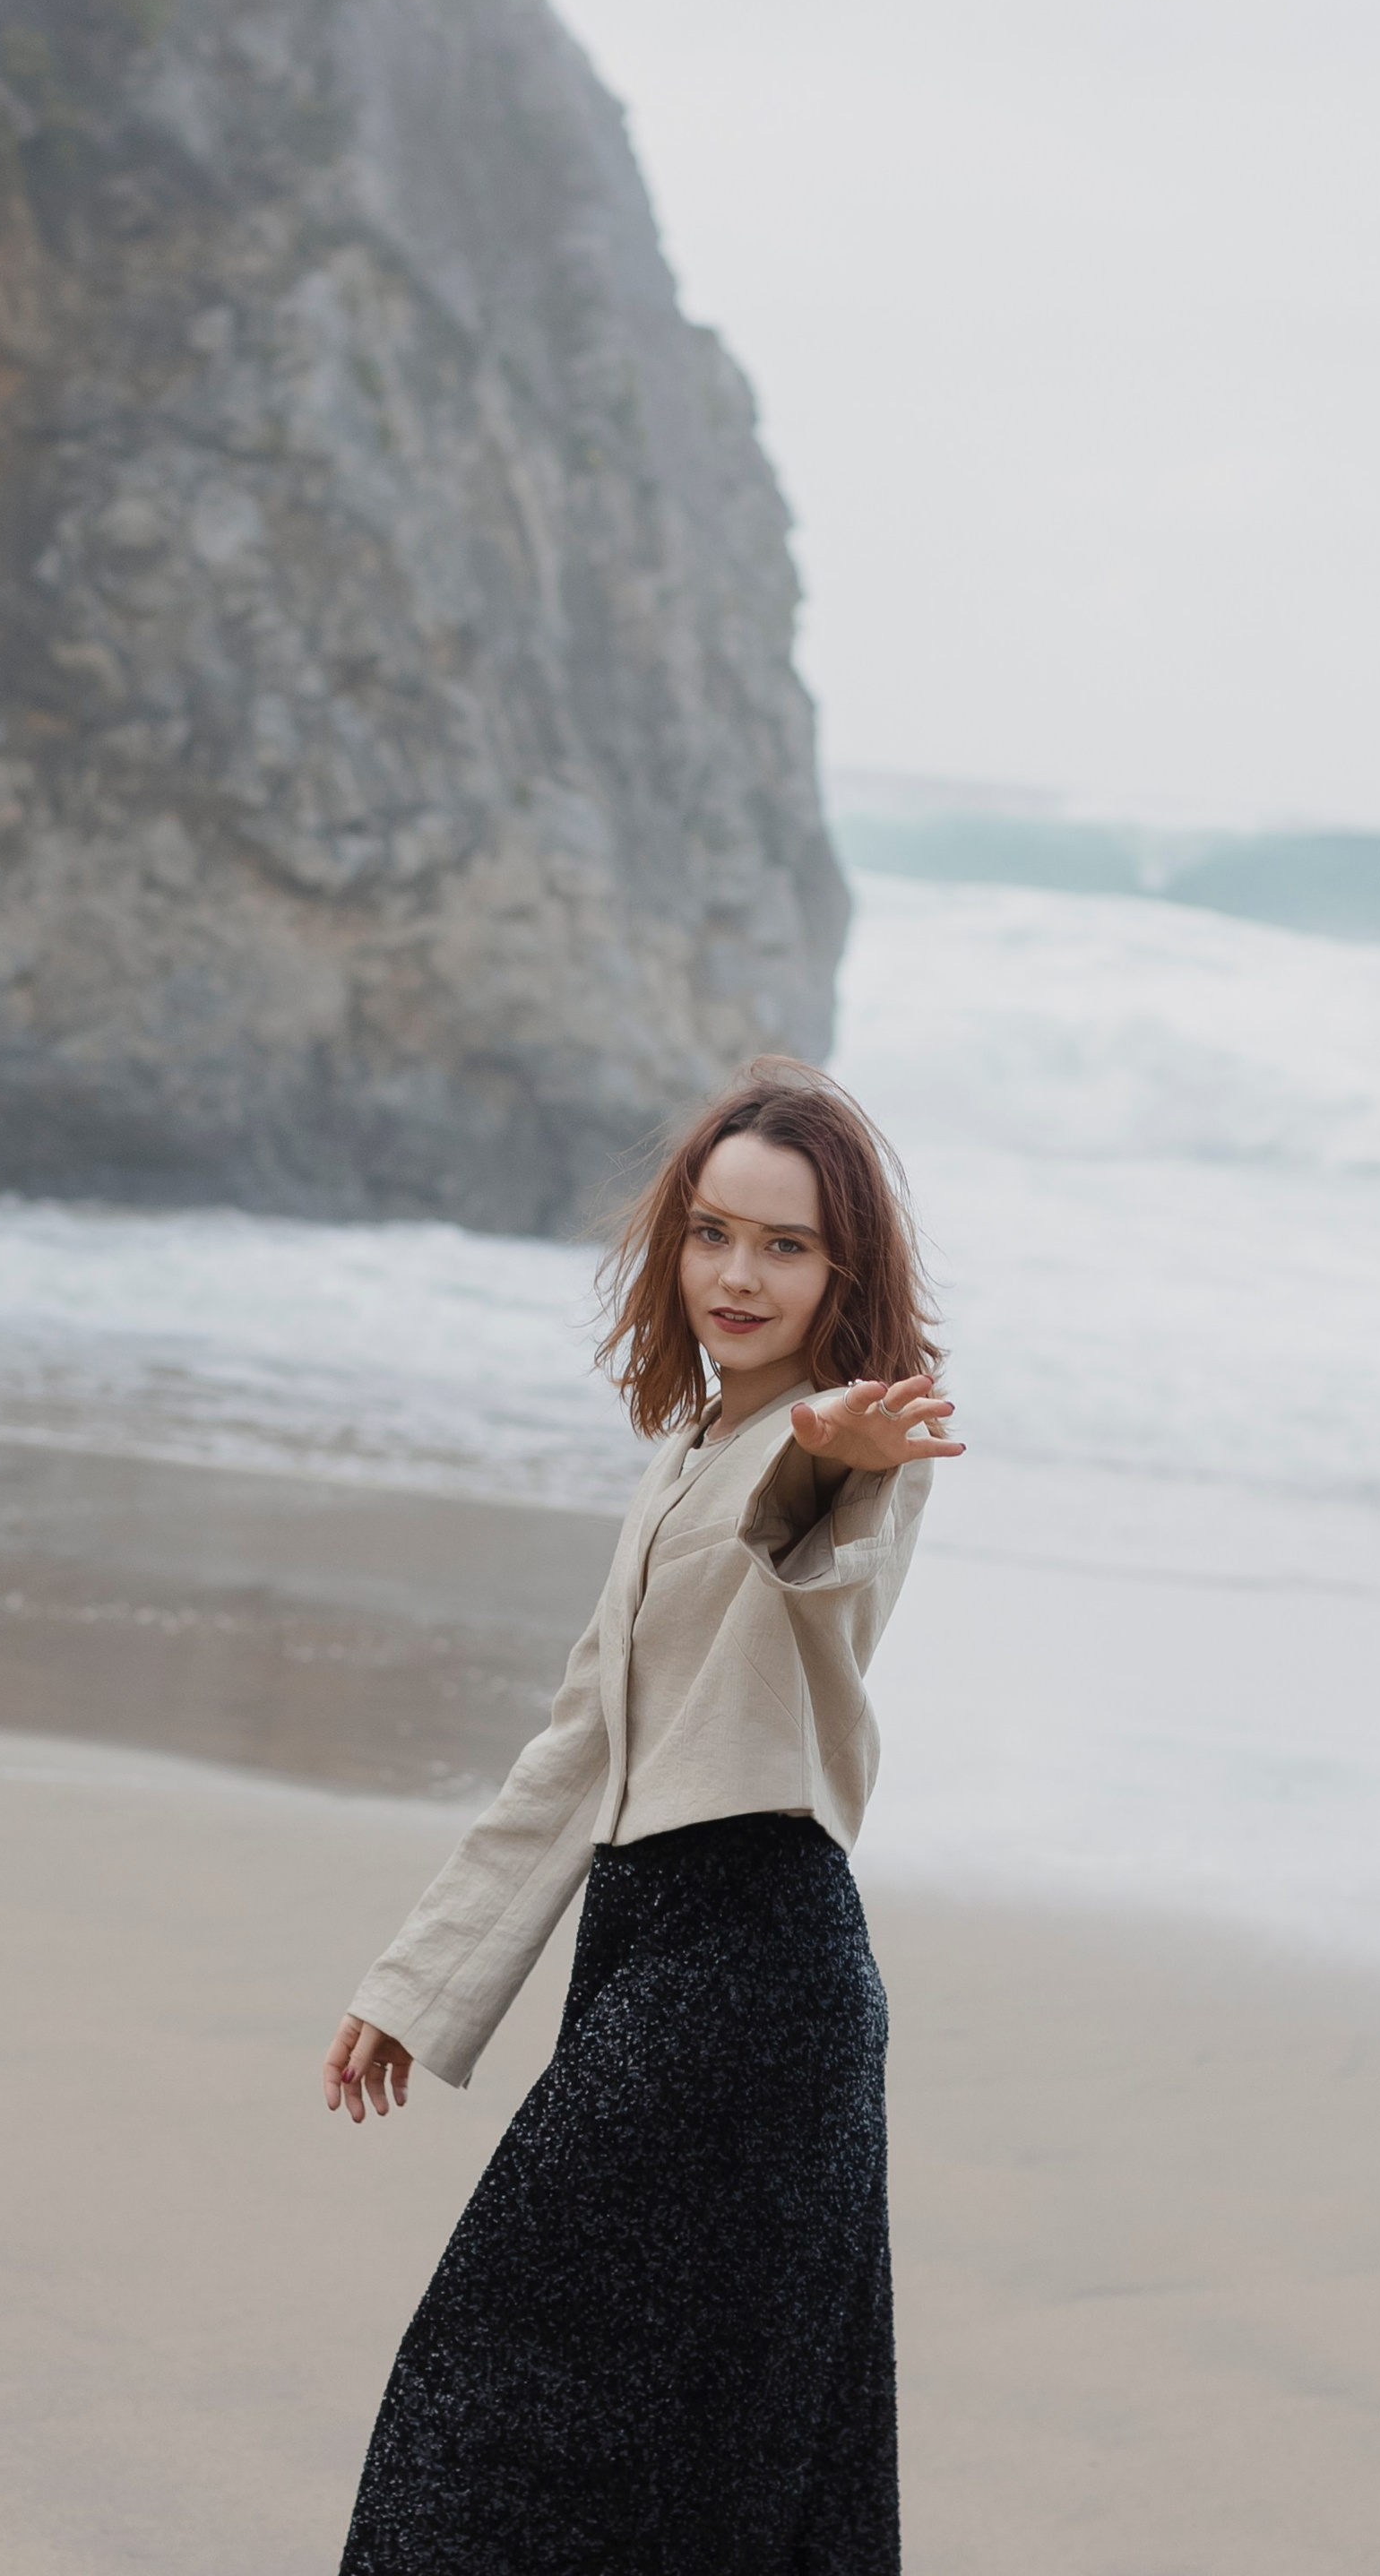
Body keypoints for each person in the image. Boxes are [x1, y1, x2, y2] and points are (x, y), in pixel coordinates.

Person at [322, 1056, 962, 2575]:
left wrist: (827, 1469)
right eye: (714, 1233)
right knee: (660, 2447)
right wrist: (421, 1982)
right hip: (650, 1961)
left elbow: (820, 1570)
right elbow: (577, 1748)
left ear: (841, 1273)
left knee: (502, 2398)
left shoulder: (852, 1448)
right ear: (673, 1238)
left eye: (788, 1247)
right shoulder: (679, 1455)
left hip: (758, 1974)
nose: (738, 1275)